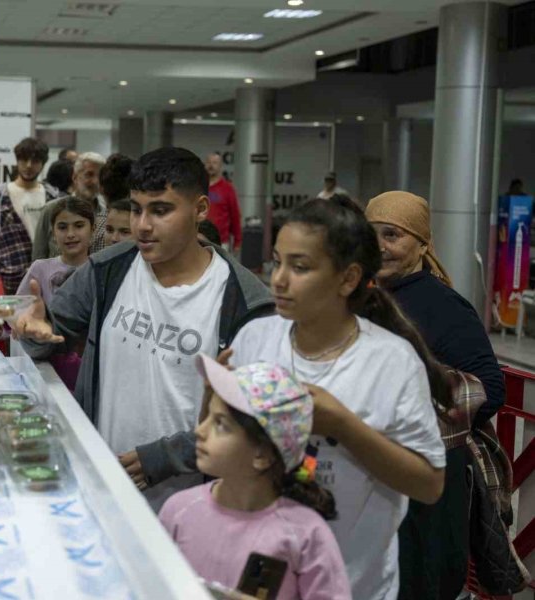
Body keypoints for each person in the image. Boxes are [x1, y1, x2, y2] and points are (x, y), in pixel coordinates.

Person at [14, 147, 274, 510]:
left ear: (200, 209)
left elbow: (257, 415)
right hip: (104, 484)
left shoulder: (245, 302)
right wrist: (35, 330)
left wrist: (168, 456)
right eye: (136, 208)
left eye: (161, 210)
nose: (142, 225)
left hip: (195, 504)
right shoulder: (108, 269)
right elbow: (51, 334)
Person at [226, 196, 449, 599]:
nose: (278, 279)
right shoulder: (255, 340)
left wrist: (342, 426)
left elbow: (429, 484)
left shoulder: (391, 362)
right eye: (277, 262)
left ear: (347, 279)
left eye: (300, 267)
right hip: (262, 574)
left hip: (353, 582)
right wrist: (217, 396)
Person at [366, 190, 505, 600]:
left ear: (423, 244)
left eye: (392, 235)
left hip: (429, 486)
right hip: (372, 479)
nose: (380, 246)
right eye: (371, 234)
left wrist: (408, 405)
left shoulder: (444, 306)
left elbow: (490, 388)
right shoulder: (362, 294)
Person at [160, 357, 351, 599]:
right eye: (208, 416)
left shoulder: (306, 536)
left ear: (262, 454)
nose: (200, 430)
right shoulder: (179, 510)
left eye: (220, 424)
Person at [18, 198, 94, 391]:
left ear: (92, 230)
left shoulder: (101, 270)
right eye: (62, 227)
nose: (70, 234)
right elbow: (19, 314)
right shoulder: (40, 269)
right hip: (47, 367)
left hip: (91, 369)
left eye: (79, 226)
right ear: (53, 232)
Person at [0, 137, 62, 294]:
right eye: (24, 160)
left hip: (47, 275)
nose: (29, 165)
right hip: (10, 276)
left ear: (42, 164)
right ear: (17, 161)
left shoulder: (53, 196)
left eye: (35, 161)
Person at [32, 152, 107, 259]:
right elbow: (38, 257)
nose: (95, 181)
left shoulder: (106, 213)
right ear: (75, 177)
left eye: (100, 176)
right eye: (89, 174)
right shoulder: (51, 209)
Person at [204, 152, 242, 250]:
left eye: (215, 163)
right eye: (208, 162)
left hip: (221, 242)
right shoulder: (198, 187)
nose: (211, 165)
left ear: (220, 166)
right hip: (199, 240)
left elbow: (235, 215)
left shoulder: (228, 189)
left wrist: (238, 241)